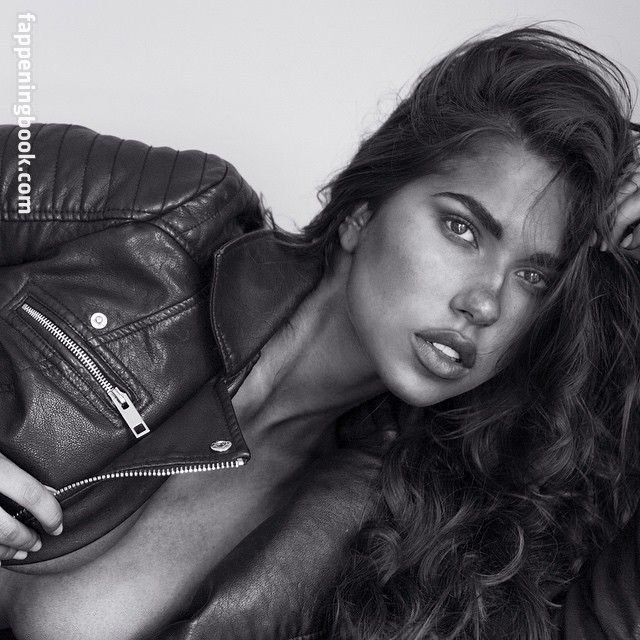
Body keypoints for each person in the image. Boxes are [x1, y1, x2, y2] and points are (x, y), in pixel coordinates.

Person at [0, 25, 639, 640]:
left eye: (533, 277)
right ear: (362, 211)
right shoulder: (177, 215)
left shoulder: (392, 538)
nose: (485, 303)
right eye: (461, 229)